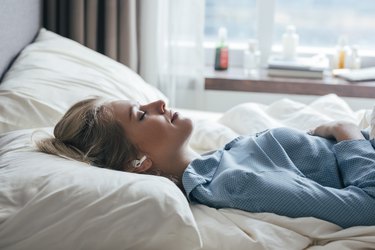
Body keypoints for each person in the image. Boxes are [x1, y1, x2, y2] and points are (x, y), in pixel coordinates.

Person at [37, 97, 375, 229]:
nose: (158, 102)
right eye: (141, 115)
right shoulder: (235, 184)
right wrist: (345, 132)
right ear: (137, 162)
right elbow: (367, 205)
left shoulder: (218, 162)